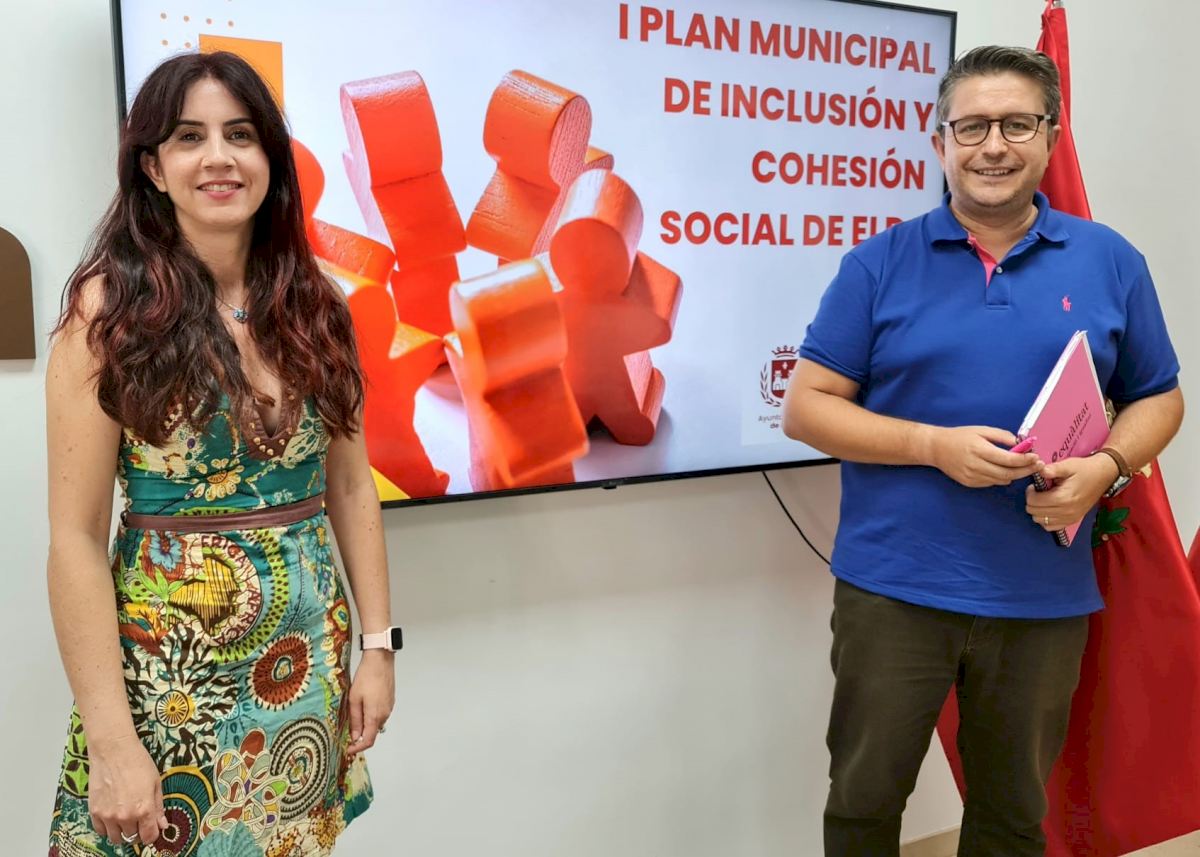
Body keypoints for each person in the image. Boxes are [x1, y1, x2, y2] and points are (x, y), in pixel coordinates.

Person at [782, 45, 1183, 857]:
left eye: (1016, 124)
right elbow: (806, 408)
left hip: (1042, 593)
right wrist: (932, 445)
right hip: (894, 589)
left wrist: (1106, 468)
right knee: (863, 801)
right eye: (971, 127)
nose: (992, 145)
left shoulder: (1111, 260)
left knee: (1011, 815)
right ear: (940, 143)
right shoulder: (878, 263)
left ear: (1050, 136)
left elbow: (1160, 396)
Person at [46, 51, 398, 854]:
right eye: (189, 137)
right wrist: (112, 743)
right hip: (170, 691)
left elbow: (350, 488)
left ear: (270, 157)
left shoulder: (318, 304)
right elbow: (74, 539)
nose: (219, 158)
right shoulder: (108, 312)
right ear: (152, 166)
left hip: (304, 674)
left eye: (240, 135)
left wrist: (378, 647)